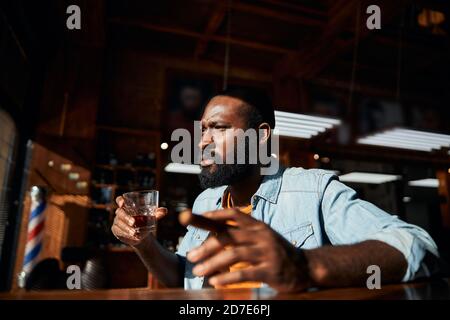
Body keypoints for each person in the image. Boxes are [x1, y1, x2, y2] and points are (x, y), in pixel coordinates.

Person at [111, 88, 439, 292]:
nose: (203, 141)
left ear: (261, 136)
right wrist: (145, 244)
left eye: (219, 128)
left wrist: (305, 266)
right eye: (202, 130)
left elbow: (417, 247)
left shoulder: (314, 190)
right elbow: (183, 277)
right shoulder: (206, 201)